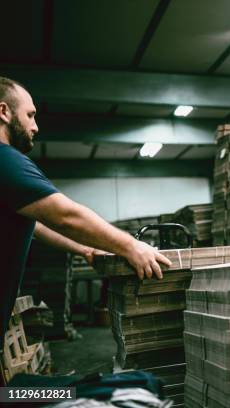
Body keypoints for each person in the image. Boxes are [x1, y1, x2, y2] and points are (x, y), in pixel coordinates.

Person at [0, 76, 172, 351]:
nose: (35, 126)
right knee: (49, 395)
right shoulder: (5, 160)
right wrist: (131, 246)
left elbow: (35, 225)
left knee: (15, 396)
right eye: (30, 115)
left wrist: (85, 250)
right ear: (4, 112)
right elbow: (64, 215)